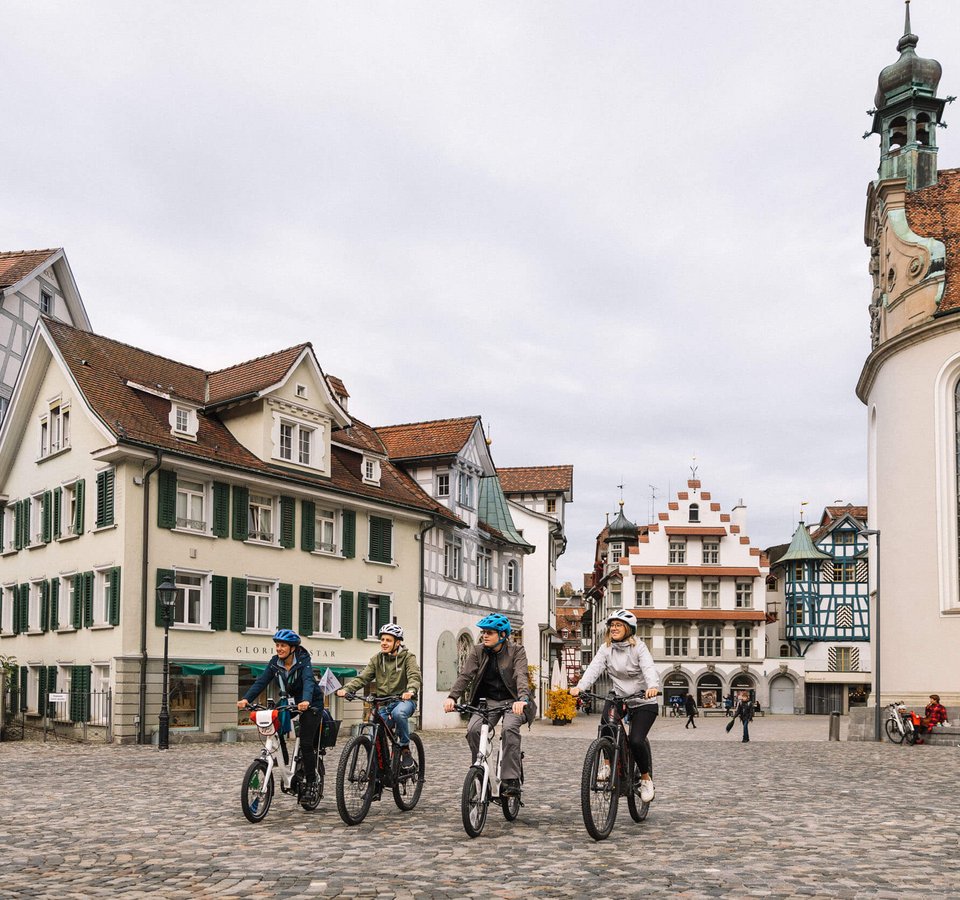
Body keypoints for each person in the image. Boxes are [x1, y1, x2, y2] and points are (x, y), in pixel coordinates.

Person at [570, 609, 660, 803]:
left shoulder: (639, 648)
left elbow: (648, 668)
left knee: (636, 740)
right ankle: (607, 764)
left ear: (629, 629)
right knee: (606, 726)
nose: (614, 628)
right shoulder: (606, 648)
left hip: (643, 699)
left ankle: (645, 778)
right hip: (619, 697)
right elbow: (594, 668)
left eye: (619, 625)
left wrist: (652, 686)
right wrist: (580, 687)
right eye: (612, 625)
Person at [443, 613, 531, 797]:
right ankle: (480, 772)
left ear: (502, 635)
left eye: (490, 632)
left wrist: (522, 700)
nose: (485, 636)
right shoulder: (478, 651)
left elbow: (521, 675)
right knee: (473, 729)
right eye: (483, 632)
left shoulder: (517, 651)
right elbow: (466, 675)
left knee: (509, 728)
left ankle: (511, 779)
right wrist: (452, 697)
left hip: (513, 701)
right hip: (488, 701)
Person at [237, 629, 327, 803]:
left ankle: (310, 782)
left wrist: (307, 700)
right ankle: (284, 759)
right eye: (277, 645)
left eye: (283, 645)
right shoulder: (275, 663)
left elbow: (308, 681)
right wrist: (246, 698)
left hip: (311, 704)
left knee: (307, 743)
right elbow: (262, 681)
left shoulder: (303, 661)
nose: (279, 648)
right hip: (290, 701)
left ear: (292, 648)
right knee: (274, 723)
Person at [338, 623, 422, 772]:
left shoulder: (408, 658)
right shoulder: (377, 659)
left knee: (399, 713)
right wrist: (346, 689)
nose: (384, 643)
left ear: (398, 642)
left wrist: (411, 690)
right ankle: (376, 779)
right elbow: (363, 678)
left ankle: (404, 748)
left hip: (404, 701)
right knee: (374, 735)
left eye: (388, 640)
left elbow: (414, 676)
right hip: (384, 703)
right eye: (382, 639)